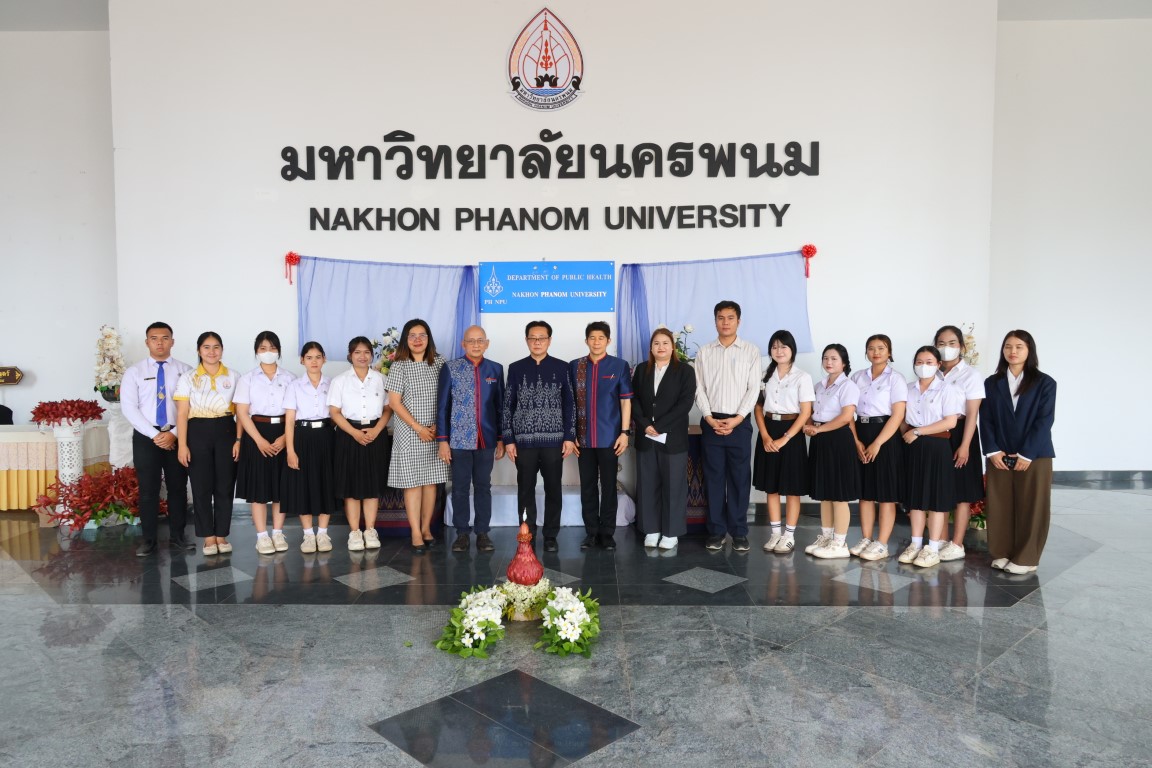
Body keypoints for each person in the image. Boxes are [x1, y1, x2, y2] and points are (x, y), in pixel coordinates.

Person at [981, 330, 1057, 574]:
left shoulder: (1045, 383)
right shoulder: (992, 383)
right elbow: (986, 419)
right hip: (999, 454)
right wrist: (992, 451)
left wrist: (1027, 454)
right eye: (1008, 346)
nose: (1012, 351)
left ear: (1029, 350)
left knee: (1032, 506)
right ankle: (1002, 552)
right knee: (1000, 504)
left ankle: (1027, 558)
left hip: (1035, 455)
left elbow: (1044, 421)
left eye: (1019, 347)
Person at [502, 320, 576, 553]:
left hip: (554, 442)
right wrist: (509, 439)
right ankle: (528, 535)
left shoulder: (562, 367)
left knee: (553, 489)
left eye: (541, 338)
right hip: (524, 442)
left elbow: (569, 404)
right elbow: (507, 405)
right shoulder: (516, 368)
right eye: (532, 338)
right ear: (526, 340)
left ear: (549, 341)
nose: (537, 342)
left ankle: (551, 535)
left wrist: (569, 436)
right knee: (525, 490)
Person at [694, 301, 762, 552]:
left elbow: (754, 388)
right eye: (721, 318)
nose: (725, 322)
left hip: (739, 423)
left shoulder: (751, 351)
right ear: (715, 321)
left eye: (730, 318)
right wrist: (709, 417)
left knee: (739, 480)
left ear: (738, 321)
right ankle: (716, 531)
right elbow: (699, 388)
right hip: (711, 421)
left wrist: (738, 418)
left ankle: (739, 532)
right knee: (713, 478)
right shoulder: (704, 352)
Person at [121, 322, 193, 556]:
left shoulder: (186, 371)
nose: (160, 343)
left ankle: (178, 537)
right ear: (147, 342)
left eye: (165, 338)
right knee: (148, 490)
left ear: (172, 341)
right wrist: (155, 435)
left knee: (178, 488)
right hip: (146, 436)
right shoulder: (134, 372)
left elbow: (193, 406)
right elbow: (129, 408)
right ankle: (149, 540)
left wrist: (173, 434)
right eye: (154, 338)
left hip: (177, 435)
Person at [436, 325, 505, 553]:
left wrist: (501, 438)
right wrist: (443, 440)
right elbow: (443, 406)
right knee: (460, 488)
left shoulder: (495, 369)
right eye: (471, 341)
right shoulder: (451, 368)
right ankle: (462, 533)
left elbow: (500, 407)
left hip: (487, 439)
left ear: (487, 343)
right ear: (463, 344)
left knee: (483, 486)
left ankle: (483, 532)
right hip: (458, 440)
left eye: (480, 340)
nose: (476, 345)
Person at [173, 331, 239, 556]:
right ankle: (208, 537)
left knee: (225, 484)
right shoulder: (188, 378)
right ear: (199, 351)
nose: (212, 352)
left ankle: (222, 534)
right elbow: (182, 414)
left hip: (226, 430)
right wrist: (182, 445)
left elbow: (241, 412)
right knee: (201, 486)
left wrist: (238, 440)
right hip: (197, 431)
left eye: (216, 347)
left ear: (222, 350)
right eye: (207, 347)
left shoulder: (234, 376)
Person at [898, 346, 964, 567]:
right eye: (919, 362)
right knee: (915, 498)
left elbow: (950, 422)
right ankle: (915, 544)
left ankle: (933, 548)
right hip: (912, 446)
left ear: (938, 364)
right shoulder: (908, 389)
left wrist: (917, 431)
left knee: (936, 499)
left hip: (937, 445)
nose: (923, 366)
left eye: (929, 362)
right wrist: (907, 433)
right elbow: (901, 416)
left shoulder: (947, 389)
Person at [632, 327, 697, 550]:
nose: (661, 347)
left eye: (665, 343)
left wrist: (658, 426)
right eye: (656, 343)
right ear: (651, 348)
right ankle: (651, 529)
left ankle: (671, 533)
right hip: (646, 436)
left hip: (672, 438)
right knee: (647, 484)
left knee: (673, 486)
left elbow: (685, 403)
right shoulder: (642, 369)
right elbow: (634, 400)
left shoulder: (685, 371)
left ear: (673, 347)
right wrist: (645, 425)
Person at [388, 319, 449, 553]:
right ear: (406, 339)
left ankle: (426, 528)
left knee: (431, 483)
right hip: (410, 432)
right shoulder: (399, 365)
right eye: (412, 335)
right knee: (412, 483)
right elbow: (394, 403)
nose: (417, 340)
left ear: (428, 338)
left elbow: (447, 396)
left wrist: (436, 426)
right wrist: (418, 427)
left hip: (434, 432)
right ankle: (415, 531)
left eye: (422, 335)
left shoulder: (440, 363)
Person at [570, 321, 633, 551]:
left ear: (608, 340)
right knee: (587, 487)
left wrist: (624, 433)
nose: (596, 342)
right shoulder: (575, 366)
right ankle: (591, 533)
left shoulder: (619, 365)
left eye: (601, 338)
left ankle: (607, 533)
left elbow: (625, 402)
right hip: (583, 439)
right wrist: (571, 434)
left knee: (608, 487)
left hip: (610, 438)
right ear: (586, 340)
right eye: (592, 338)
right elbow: (569, 403)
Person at [234, 331, 296, 555]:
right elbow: (242, 413)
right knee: (258, 488)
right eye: (263, 348)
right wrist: (258, 440)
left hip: (284, 431)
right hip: (256, 432)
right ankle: (262, 536)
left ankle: (278, 533)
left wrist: (285, 439)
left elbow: (295, 412)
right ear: (256, 352)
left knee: (281, 486)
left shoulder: (290, 378)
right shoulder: (247, 379)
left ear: (279, 351)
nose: (268, 352)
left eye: (272, 348)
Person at [753, 329, 814, 554]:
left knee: (791, 488)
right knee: (771, 486)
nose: (779, 351)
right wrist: (765, 435)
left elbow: (806, 412)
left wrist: (785, 439)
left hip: (792, 433)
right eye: (775, 347)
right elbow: (758, 407)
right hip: (768, 430)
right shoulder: (764, 375)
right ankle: (775, 534)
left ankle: (789, 536)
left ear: (792, 350)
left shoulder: (802, 377)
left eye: (783, 346)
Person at [848, 335, 907, 561]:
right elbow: (848, 410)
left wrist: (878, 443)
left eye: (881, 348)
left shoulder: (896, 379)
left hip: (886, 435)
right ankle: (866, 538)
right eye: (871, 348)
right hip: (861, 432)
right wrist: (856, 440)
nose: (876, 352)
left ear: (889, 352)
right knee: (865, 491)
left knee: (885, 493)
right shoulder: (857, 377)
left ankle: (882, 543)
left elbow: (898, 415)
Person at [328, 336, 391, 551]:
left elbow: (388, 408)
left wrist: (377, 430)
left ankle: (370, 530)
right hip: (349, 434)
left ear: (372, 355)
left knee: (373, 486)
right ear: (350, 355)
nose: (362, 356)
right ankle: (354, 532)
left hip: (375, 434)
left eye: (366, 352)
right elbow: (335, 412)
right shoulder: (340, 381)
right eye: (357, 352)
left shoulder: (381, 379)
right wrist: (355, 433)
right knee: (351, 486)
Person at [802, 344, 861, 559]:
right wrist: (810, 426)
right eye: (826, 358)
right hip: (820, 440)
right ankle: (826, 537)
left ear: (844, 363)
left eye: (834, 358)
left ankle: (839, 543)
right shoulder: (819, 386)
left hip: (838, 439)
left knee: (839, 494)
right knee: (825, 493)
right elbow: (811, 412)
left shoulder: (848, 386)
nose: (829, 362)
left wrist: (819, 429)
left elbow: (846, 417)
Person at [935, 324, 985, 562]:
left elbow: (973, 414)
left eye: (952, 343)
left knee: (962, 491)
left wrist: (965, 445)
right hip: (937, 432)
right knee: (941, 488)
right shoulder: (932, 371)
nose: (946, 348)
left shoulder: (970, 375)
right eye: (941, 344)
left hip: (962, 432)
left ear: (962, 347)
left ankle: (957, 543)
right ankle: (941, 540)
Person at [283, 341, 336, 554]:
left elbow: (337, 415)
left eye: (318, 357)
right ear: (302, 360)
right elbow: (289, 421)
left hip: (326, 436)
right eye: (309, 357)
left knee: (326, 482)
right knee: (302, 485)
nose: (314, 361)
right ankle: (308, 535)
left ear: (324, 359)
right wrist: (290, 450)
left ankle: (322, 533)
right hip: (302, 437)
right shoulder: (294, 386)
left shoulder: (332, 384)